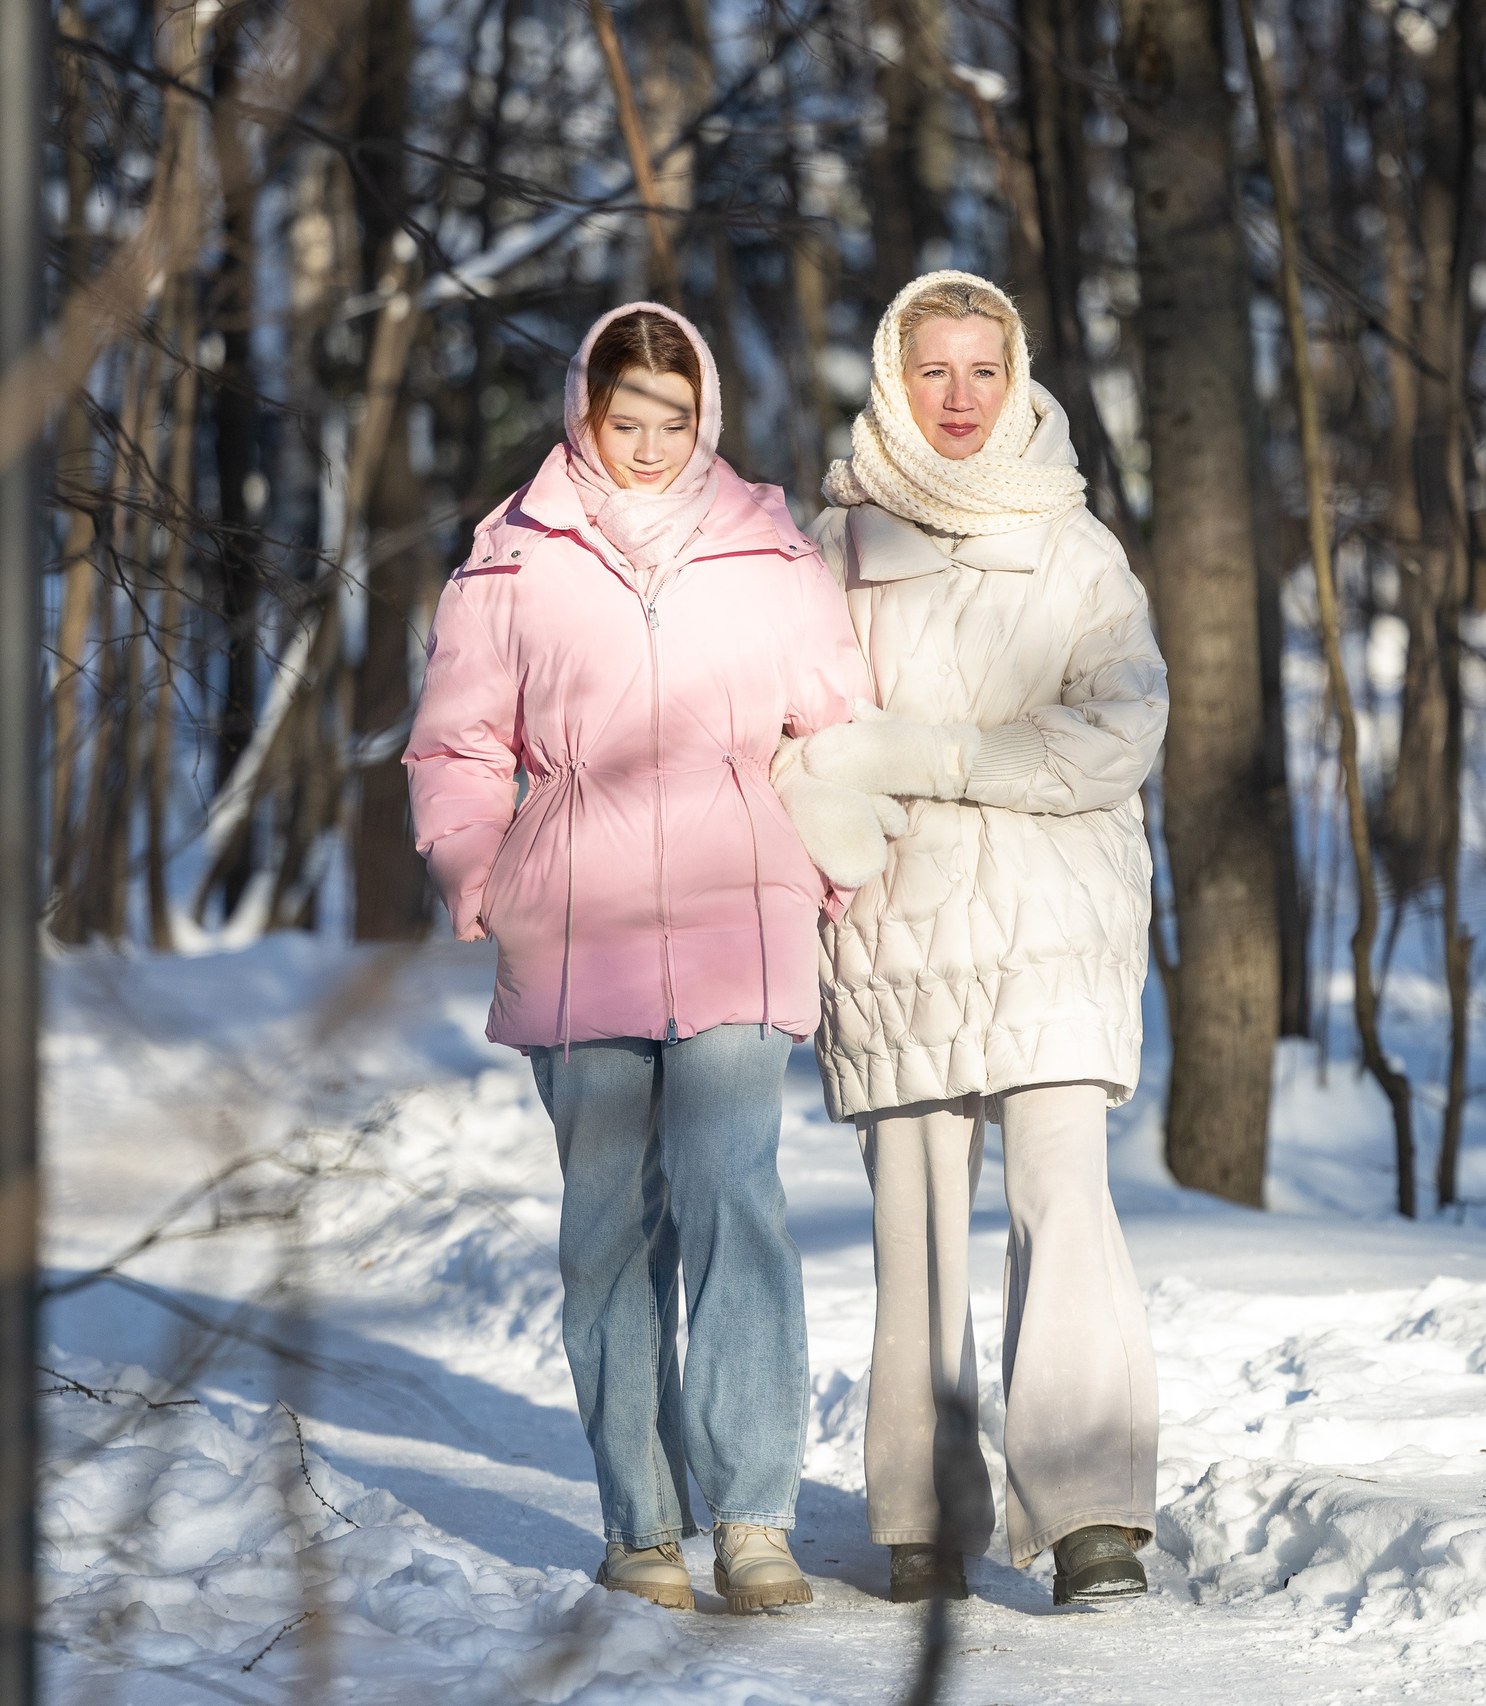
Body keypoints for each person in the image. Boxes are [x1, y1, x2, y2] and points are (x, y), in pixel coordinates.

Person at [404, 302, 876, 1615]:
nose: (654, 442)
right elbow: (454, 745)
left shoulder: (771, 554)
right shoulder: (511, 563)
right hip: (574, 926)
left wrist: (828, 864)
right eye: (630, 420)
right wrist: (477, 867)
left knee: (736, 1196)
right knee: (611, 1230)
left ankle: (757, 1518)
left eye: (676, 419)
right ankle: (642, 1524)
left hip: (741, 909)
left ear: (706, 415)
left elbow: (842, 723)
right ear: (586, 415)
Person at [781, 270, 1169, 1607]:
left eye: (982, 370)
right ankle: (921, 1516)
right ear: (895, 376)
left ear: (1018, 378)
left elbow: (1120, 735)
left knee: (1069, 1206)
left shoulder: (1076, 546)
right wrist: (838, 793)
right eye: (933, 370)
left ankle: (1094, 1515)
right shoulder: (833, 551)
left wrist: (930, 751)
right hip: (894, 932)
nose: (959, 397)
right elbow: (795, 733)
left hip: (1057, 920)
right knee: (920, 1228)